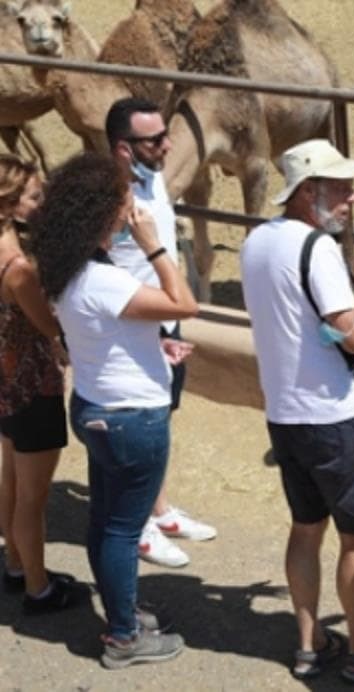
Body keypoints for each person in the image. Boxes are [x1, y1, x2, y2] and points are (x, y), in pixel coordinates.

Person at [240, 139, 354, 683]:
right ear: (307, 192)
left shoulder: (257, 241)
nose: (351, 196)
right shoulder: (316, 249)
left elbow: (306, 318)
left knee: (305, 529)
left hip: (287, 416)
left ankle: (309, 643)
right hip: (336, 419)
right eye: (340, 187)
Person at [31, 152, 198, 668]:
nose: (134, 212)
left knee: (107, 521)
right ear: (103, 214)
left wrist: (155, 346)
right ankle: (124, 637)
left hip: (96, 406)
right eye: (126, 204)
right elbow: (184, 303)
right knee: (123, 529)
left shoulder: (67, 271)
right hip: (133, 418)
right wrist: (155, 247)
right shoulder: (106, 281)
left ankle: (121, 612)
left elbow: (107, 329)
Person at [105, 97, 216, 569]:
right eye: (154, 140)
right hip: (132, 324)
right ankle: (138, 528)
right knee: (135, 430)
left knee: (162, 417)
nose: (168, 144)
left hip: (165, 320)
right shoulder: (110, 196)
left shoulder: (151, 181)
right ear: (124, 149)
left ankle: (159, 509)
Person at [0, 154, 79, 614]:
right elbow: (48, 326)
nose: (41, 202)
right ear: (9, 204)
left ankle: (15, 563)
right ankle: (38, 586)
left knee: (11, 480)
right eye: (33, 195)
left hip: (6, 382)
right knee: (34, 496)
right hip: (33, 384)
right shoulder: (18, 270)